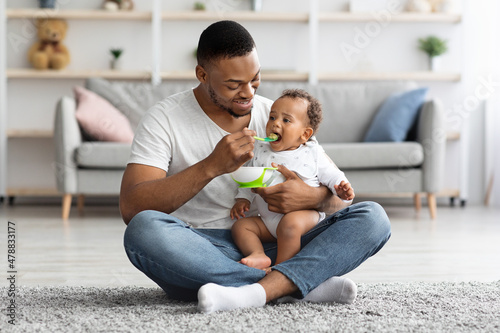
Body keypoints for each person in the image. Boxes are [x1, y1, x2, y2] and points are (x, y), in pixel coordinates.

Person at [120, 20, 391, 314]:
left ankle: (257, 288)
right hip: (202, 250)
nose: (248, 93)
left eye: (255, 79)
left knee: (374, 217)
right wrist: (211, 166)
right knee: (143, 232)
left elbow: (340, 196)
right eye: (234, 85)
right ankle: (295, 283)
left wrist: (310, 197)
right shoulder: (164, 119)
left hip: (283, 242)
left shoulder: (279, 115)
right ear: (202, 75)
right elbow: (132, 208)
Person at [231, 89, 355, 272]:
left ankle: (282, 271)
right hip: (268, 222)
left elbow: (332, 175)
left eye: (286, 120)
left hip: (304, 219)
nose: (275, 124)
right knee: (241, 227)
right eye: (272, 118)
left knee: (290, 225)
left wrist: (341, 188)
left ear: (305, 134)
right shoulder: (261, 149)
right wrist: (242, 199)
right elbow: (252, 176)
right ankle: (258, 254)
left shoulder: (312, 153)